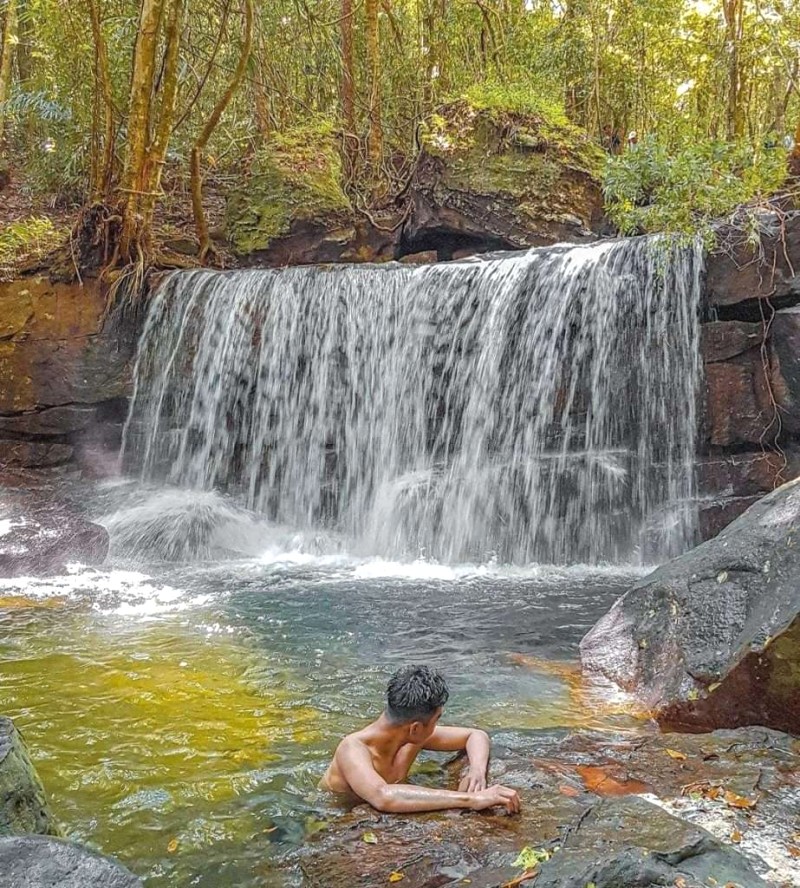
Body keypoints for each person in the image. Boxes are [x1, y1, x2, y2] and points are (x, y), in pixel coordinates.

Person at [321, 664, 521, 814]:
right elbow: (383, 796)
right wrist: (471, 798)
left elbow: (475, 735)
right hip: (328, 815)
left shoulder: (411, 739)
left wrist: (476, 772)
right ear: (415, 728)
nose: (437, 725)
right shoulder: (353, 748)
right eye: (437, 719)